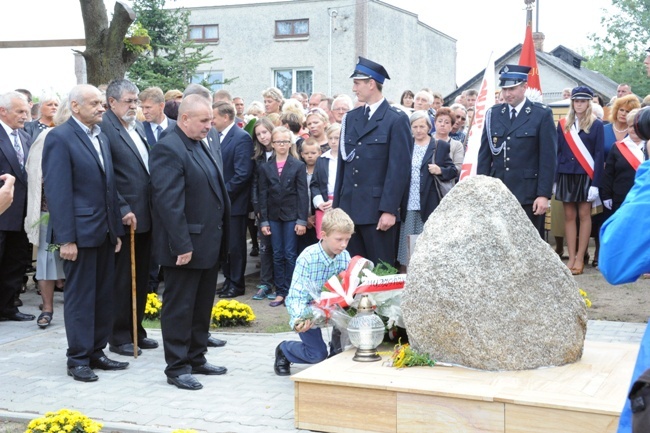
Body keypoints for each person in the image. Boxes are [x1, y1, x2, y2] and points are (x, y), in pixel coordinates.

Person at [43, 84, 126, 382]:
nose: (102, 108)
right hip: (78, 234)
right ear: (75, 106)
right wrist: (66, 238)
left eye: (102, 103)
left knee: (104, 295)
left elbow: (109, 187)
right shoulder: (60, 137)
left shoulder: (100, 136)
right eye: (95, 103)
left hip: (103, 232)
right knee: (80, 297)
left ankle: (96, 352)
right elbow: (58, 191)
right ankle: (77, 358)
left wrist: (115, 229)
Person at [149, 94, 230, 390]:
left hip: (207, 242)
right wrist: (181, 244)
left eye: (211, 120)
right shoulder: (168, 148)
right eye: (204, 120)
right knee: (180, 306)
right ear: (184, 119)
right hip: (185, 246)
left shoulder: (199, 143)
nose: (210, 125)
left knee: (200, 305)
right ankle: (177, 366)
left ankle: (196, 357)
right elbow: (168, 203)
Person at [333, 57, 412, 266]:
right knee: (352, 270)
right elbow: (344, 167)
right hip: (349, 209)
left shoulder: (396, 119)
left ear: (371, 83)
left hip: (377, 211)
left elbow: (399, 170)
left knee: (381, 270)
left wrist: (389, 210)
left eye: (357, 83)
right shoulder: (351, 117)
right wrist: (337, 209)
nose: (353, 88)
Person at [101, 79, 159, 356]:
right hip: (125, 217)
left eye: (136, 101)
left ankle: (137, 330)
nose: (134, 106)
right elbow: (108, 177)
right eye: (129, 101)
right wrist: (123, 207)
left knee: (142, 278)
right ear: (112, 102)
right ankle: (120, 335)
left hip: (146, 215)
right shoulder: (106, 129)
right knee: (123, 280)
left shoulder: (136, 128)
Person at [477, 64, 557, 238]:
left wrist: (543, 195)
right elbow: (484, 156)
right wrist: (481, 190)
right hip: (498, 193)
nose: (507, 94)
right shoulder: (494, 113)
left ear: (524, 87)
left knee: (530, 243)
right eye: (504, 89)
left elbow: (548, 160)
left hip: (528, 194)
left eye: (512, 88)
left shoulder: (541, 114)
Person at [274, 208, 354, 376]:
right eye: (339, 239)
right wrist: (299, 319)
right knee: (317, 355)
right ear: (323, 234)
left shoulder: (345, 256)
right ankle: (284, 350)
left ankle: (335, 355)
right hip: (309, 311)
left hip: (335, 309)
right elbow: (296, 295)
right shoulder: (307, 257)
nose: (343, 244)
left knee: (340, 353)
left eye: (347, 239)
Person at [24, 100, 70, 329]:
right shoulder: (48, 137)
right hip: (50, 215)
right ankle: (48, 308)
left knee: (71, 260)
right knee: (48, 258)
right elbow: (36, 174)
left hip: (77, 215)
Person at [555, 86, 605, 276]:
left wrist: (596, 184)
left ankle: (580, 258)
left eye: (583, 101)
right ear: (572, 102)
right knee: (569, 216)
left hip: (586, 175)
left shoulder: (597, 125)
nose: (579, 104)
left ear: (588, 103)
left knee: (584, 215)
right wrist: (555, 179)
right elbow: (557, 153)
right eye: (576, 101)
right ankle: (571, 256)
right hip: (566, 174)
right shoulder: (562, 124)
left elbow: (599, 156)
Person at [397, 111, 456, 269]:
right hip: (409, 200)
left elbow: (452, 170)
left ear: (429, 127)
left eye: (422, 126)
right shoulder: (406, 144)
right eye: (415, 126)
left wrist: (440, 170)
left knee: (427, 240)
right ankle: (406, 274)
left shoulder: (439, 145)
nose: (418, 130)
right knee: (407, 244)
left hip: (429, 201)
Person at [259, 126, 308, 308]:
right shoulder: (265, 167)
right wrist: (263, 220)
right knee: (277, 253)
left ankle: (292, 291)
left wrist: (302, 219)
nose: (282, 145)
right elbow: (262, 194)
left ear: (290, 144)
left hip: (291, 216)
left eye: (285, 141)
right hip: (273, 216)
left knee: (290, 253)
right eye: (278, 142)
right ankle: (280, 291)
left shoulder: (298, 165)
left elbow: (303, 194)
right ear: (273, 144)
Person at [212, 101, 254, 299]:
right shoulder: (215, 137)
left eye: (214, 117)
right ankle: (228, 280)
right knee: (225, 246)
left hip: (234, 203)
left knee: (236, 246)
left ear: (226, 117)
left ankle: (237, 284)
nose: (211, 121)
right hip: (221, 203)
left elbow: (242, 174)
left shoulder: (241, 138)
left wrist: (221, 194)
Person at [0, 91, 34, 323]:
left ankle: (7, 307)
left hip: (22, 214)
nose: (25, 116)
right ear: (3, 111)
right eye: (20, 111)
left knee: (16, 263)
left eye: (27, 111)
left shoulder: (25, 137)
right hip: (2, 211)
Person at [600, 108, 647, 213]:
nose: (633, 129)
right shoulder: (617, 147)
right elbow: (609, 174)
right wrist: (606, 195)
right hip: (621, 197)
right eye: (630, 126)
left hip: (644, 197)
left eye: (637, 126)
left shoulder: (648, 146)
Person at [251, 118, 276, 301]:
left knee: (281, 248)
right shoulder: (258, 156)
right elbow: (254, 184)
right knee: (265, 247)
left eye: (265, 132)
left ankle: (280, 283)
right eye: (259, 134)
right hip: (263, 207)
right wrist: (257, 206)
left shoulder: (281, 153)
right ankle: (265, 283)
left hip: (280, 206)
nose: (262, 137)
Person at [312, 123, 341, 236]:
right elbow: (315, 184)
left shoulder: (346, 159)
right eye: (330, 138)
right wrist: (319, 202)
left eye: (337, 138)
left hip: (341, 204)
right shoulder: (322, 159)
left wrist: (336, 201)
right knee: (325, 237)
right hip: (324, 204)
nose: (333, 141)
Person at [298, 138, 321, 254]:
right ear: (302, 154)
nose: (310, 156)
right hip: (302, 218)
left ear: (320, 153)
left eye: (313, 153)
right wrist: (304, 218)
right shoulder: (299, 170)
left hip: (318, 217)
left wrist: (315, 216)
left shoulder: (322, 170)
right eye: (306, 153)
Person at [433, 107, 465, 176]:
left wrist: (441, 171)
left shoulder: (457, 145)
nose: (442, 124)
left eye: (447, 122)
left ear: (451, 126)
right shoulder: (427, 140)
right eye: (440, 121)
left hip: (446, 184)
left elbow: (459, 168)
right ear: (435, 123)